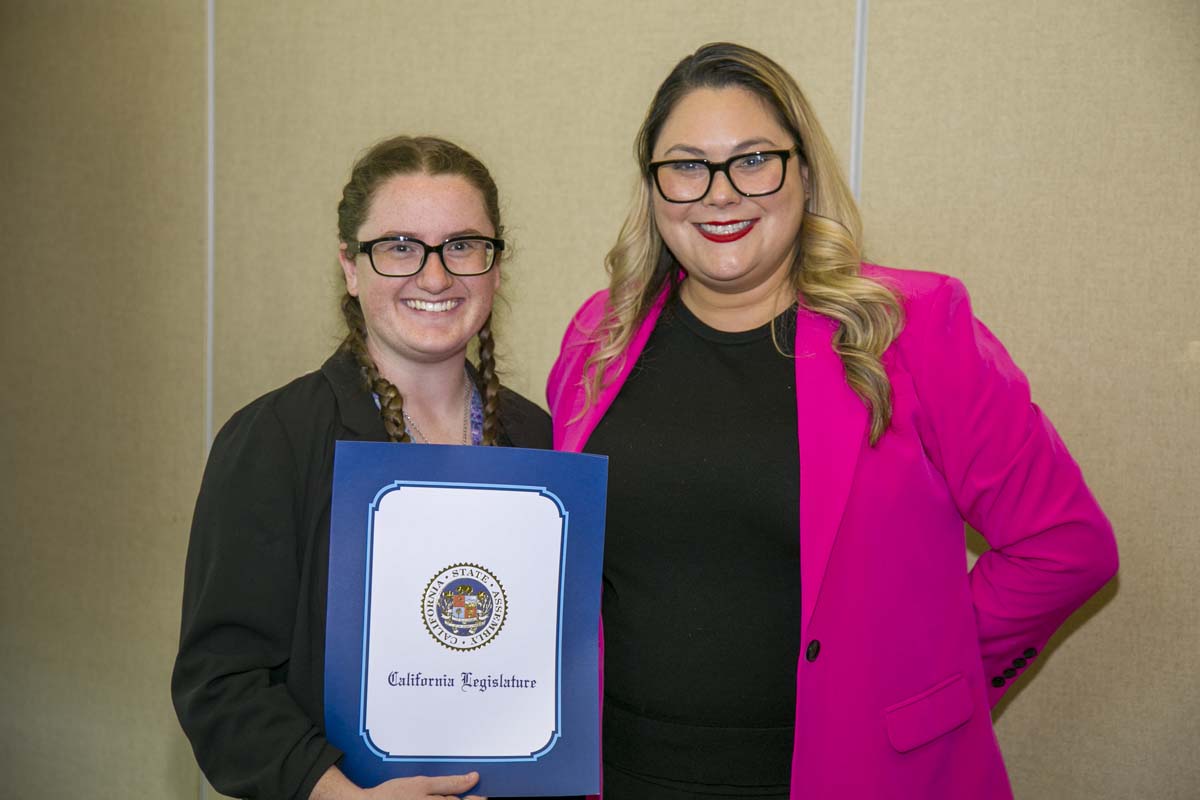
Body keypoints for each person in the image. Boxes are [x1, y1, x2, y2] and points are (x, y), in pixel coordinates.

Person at [547, 43, 1118, 800]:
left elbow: (1065, 547)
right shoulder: (599, 335)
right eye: (685, 165)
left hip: (850, 775)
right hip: (618, 774)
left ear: (804, 171)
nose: (720, 194)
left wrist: (927, 678)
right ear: (652, 187)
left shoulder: (911, 328)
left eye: (754, 160)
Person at [173, 135, 559, 800]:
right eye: (400, 246)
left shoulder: (542, 442)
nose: (435, 277)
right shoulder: (275, 440)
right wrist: (336, 794)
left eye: (463, 245)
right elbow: (221, 685)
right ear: (351, 268)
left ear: (496, 267)